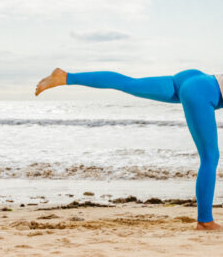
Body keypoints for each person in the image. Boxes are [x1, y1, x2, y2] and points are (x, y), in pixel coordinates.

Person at [35, 68, 223, 231]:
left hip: (193, 78)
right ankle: (205, 222)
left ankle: (66, 77)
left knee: (129, 83)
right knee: (210, 157)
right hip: (201, 92)